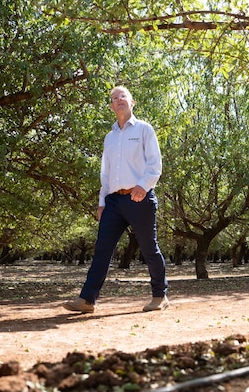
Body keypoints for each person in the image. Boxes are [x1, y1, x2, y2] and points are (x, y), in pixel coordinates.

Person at [63, 85, 169, 313]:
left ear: (132, 102)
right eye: (114, 98)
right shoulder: (109, 138)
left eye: (123, 96)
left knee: (149, 248)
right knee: (102, 248)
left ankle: (160, 296)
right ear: (111, 106)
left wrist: (143, 186)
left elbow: (155, 164)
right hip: (113, 201)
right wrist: (102, 201)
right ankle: (87, 300)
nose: (119, 99)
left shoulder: (144, 130)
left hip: (139, 197)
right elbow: (106, 173)